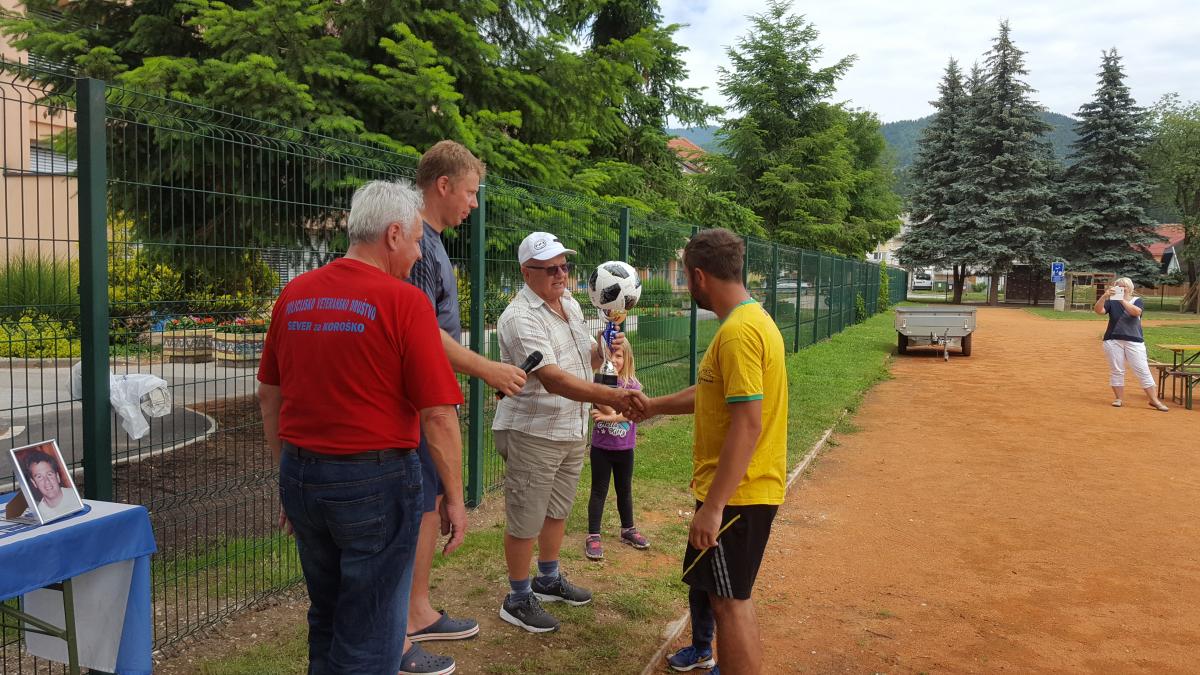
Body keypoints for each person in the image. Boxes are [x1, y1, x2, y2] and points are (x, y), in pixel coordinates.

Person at [257, 179, 468, 674]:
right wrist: (455, 498)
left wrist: (287, 476)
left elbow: (269, 394)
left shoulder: (295, 294)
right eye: (415, 240)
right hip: (374, 484)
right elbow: (438, 414)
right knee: (372, 631)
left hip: (303, 476)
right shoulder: (405, 302)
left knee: (327, 616)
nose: (419, 253)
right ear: (392, 235)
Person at [632, 228, 788, 675]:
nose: (687, 285)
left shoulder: (738, 333)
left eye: (685, 277)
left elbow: (748, 423)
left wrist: (714, 507)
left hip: (738, 495)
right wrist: (653, 406)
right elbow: (714, 393)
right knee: (730, 597)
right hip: (743, 490)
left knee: (729, 603)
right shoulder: (750, 319)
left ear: (699, 276)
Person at [399, 141, 529, 674]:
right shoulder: (418, 247)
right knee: (419, 504)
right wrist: (487, 369)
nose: (474, 204)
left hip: (429, 394)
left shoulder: (430, 243)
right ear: (443, 185)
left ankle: (418, 608)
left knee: (429, 500)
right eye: (471, 193)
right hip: (417, 402)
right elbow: (422, 332)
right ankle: (404, 621)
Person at [492, 231, 648, 634]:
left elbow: (584, 359)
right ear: (527, 273)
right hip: (534, 431)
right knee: (526, 517)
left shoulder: (572, 305)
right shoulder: (519, 317)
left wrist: (606, 349)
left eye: (564, 266)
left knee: (557, 509)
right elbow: (553, 379)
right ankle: (517, 597)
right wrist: (612, 396)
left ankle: (547, 578)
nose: (561, 274)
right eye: (550, 269)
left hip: (570, 428)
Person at [584, 339, 650, 561]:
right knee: (598, 491)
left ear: (628, 358)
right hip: (601, 448)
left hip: (625, 449)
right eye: (610, 355)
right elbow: (598, 400)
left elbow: (633, 412)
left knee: (624, 490)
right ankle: (593, 535)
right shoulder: (600, 382)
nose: (614, 360)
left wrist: (610, 417)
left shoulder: (633, 386)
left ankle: (628, 529)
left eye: (619, 356)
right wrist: (613, 413)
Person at [1093, 277, 1169, 412]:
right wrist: (1104, 297)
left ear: (1130, 288)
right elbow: (1099, 311)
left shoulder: (1137, 301)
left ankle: (1154, 400)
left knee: (1142, 369)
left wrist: (1121, 299)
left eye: (1124, 286)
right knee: (1117, 370)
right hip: (1113, 339)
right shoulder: (1111, 302)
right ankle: (1118, 399)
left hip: (1134, 340)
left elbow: (1136, 312)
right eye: (1119, 286)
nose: (1122, 288)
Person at [23, 449, 82, 520]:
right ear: (34, 483)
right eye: (39, 477)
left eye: (49, 474)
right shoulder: (40, 514)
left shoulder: (75, 497)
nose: (47, 481)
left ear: (57, 477)